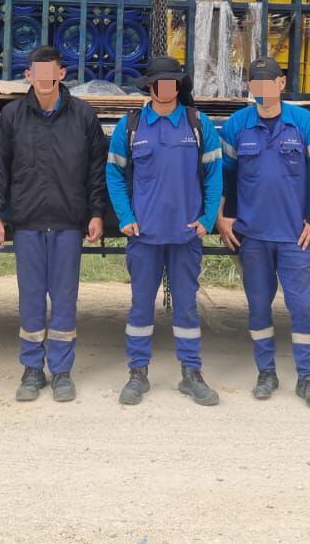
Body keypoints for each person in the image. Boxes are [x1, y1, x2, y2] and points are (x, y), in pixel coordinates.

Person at [0, 45, 107, 403]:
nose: (42, 79)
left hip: (70, 222)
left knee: (65, 298)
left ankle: (62, 372)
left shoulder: (83, 116)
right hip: (27, 222)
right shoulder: (12, 117)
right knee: (32, 299)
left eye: (48, 72)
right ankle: (32, 369)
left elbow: (95, 170)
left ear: (60, 74)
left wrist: (97, 212)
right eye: (35, 73)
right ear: (28, 76)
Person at [216, 57, 310, 410]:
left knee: (301, 306)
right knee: (257, 307)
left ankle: (306, 377)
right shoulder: (238, 124)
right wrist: (222, 218)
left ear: (282, 84)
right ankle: (266, 372)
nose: (264, 90)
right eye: (257, 83)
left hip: (293, 237)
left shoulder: (304, 122)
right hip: (252, 236)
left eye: (270, 83)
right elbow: (224, 175)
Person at [105, 55, 224, 406]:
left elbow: (215, 174)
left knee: (186, 308)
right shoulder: (131, 126)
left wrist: (207, 219)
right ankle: (137, 373)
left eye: (172, 82)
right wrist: (124, 216)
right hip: (144, 237)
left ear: (178, 86)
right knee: (141, 307)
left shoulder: (198, 123)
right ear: (151, 87)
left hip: (186, 236)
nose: (165, 88)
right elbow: (113, 174)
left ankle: (191, 373)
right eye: (160, 82)